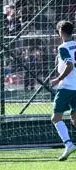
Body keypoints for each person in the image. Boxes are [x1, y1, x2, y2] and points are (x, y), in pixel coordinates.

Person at [51, 20, 76, 161]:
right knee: (75, 119)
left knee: (56, 118)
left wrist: (58, 79)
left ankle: (68, 144)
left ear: (60, 32)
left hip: (67, 87)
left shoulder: (63, 47)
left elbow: (70, 66)